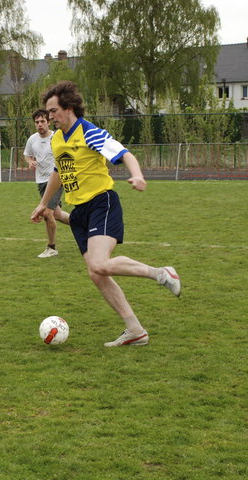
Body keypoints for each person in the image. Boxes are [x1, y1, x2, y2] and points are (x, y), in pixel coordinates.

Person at [30, 81, 180, 347]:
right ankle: (135, 330)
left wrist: (137, 175)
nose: (50, 117)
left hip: (102, 203)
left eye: (53, 111)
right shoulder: (57, 139)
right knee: (97, 273)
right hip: (80, 211)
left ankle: (161, 273)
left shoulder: (89, 132)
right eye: (48, 112)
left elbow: (125, 154)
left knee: (99, 264)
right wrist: (44, 204)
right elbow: (58, 172)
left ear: (69, 108)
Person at [24, 108, 70, 258]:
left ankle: (51, 247)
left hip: (56, 179)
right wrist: (30, 162)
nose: (39, 124)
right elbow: (27, 155)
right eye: (37, 122)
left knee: (47, 213)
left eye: (42, 121)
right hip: (41, 181)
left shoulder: (57, 137)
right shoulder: (32, 139)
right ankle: (84, 224)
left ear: (48, 122)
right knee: (57, 214)